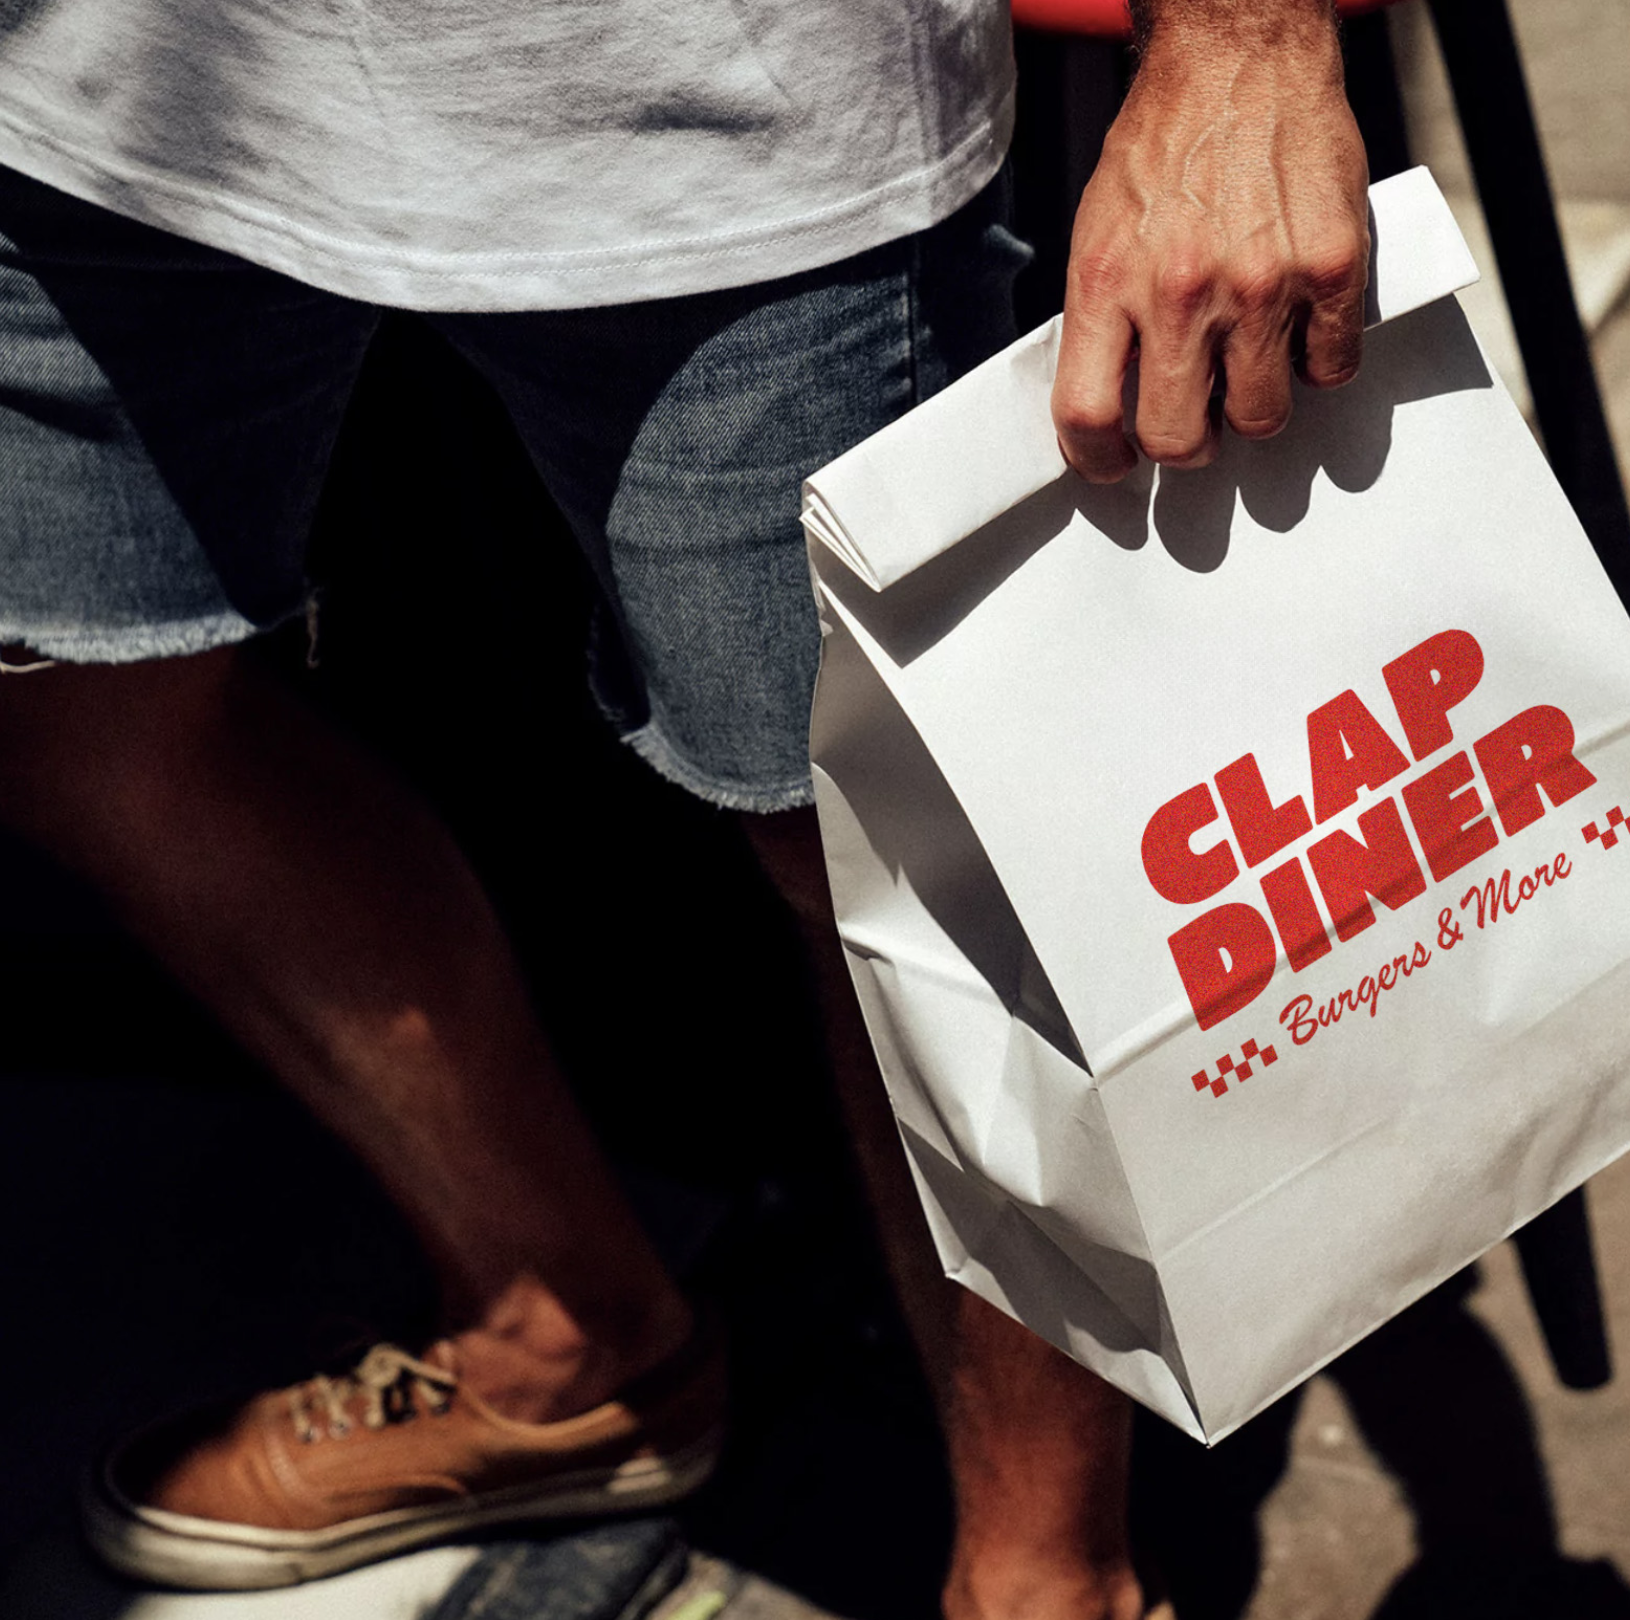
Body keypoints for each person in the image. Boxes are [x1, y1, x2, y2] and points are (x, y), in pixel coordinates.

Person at [0, 0, 1370, 1612]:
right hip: (92, 101)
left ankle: (1047, 1583)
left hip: (718, 117)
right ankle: (567, 1338)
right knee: (68, 697)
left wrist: (1243, 43)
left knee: (900, 852)